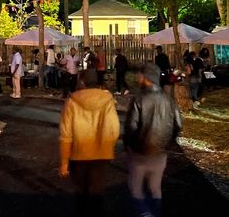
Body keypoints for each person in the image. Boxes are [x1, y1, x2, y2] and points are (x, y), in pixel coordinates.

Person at [58, 69, 121, 216]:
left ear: (82, 82)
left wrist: (64, 163)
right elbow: (114, 129)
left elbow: (66, 135)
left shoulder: (72, 102)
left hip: (78, 155)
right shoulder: (107, 100)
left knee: (81, 195)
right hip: (101, 155)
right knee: (97, 193)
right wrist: (107, 147)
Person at [125, 63, 182, 217]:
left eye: (140, 74)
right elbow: (178, 125)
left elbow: (131, 127)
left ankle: (145, 213)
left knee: (135, 188)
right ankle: (155, 213)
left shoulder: (138, 99)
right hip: (160, 152)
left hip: (140, 152)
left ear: (146, 77)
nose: (138, 77)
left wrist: (130, 146)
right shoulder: (169, 100)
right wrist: (168, 143)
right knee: (155, 188)